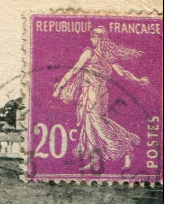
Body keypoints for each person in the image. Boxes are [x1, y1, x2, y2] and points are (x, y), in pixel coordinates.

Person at [52, 26, 151, 171]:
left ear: (98, 38)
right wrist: (138, 80)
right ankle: (96, 159)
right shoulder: (108, 56)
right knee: (91, 123)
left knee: (95, 122)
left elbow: (74, 70)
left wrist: (60, 87)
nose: (91, 39)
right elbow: (123, 73)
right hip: (101, 93)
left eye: (93, 36)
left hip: (92, 92)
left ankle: (121, 143)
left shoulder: (89, 53)